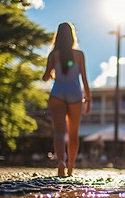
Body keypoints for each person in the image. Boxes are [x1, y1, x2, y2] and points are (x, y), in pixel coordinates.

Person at [42, 22, 91, 177]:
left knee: (58, 131)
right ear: (71, 36)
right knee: (73, 133)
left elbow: (45, 77)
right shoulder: (79, 55)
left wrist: (51, 73)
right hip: (75, 95)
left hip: (57, 93)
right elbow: (84, 79)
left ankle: (61, 161)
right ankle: (70, 167)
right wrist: (88, 100)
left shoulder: (53, 55)